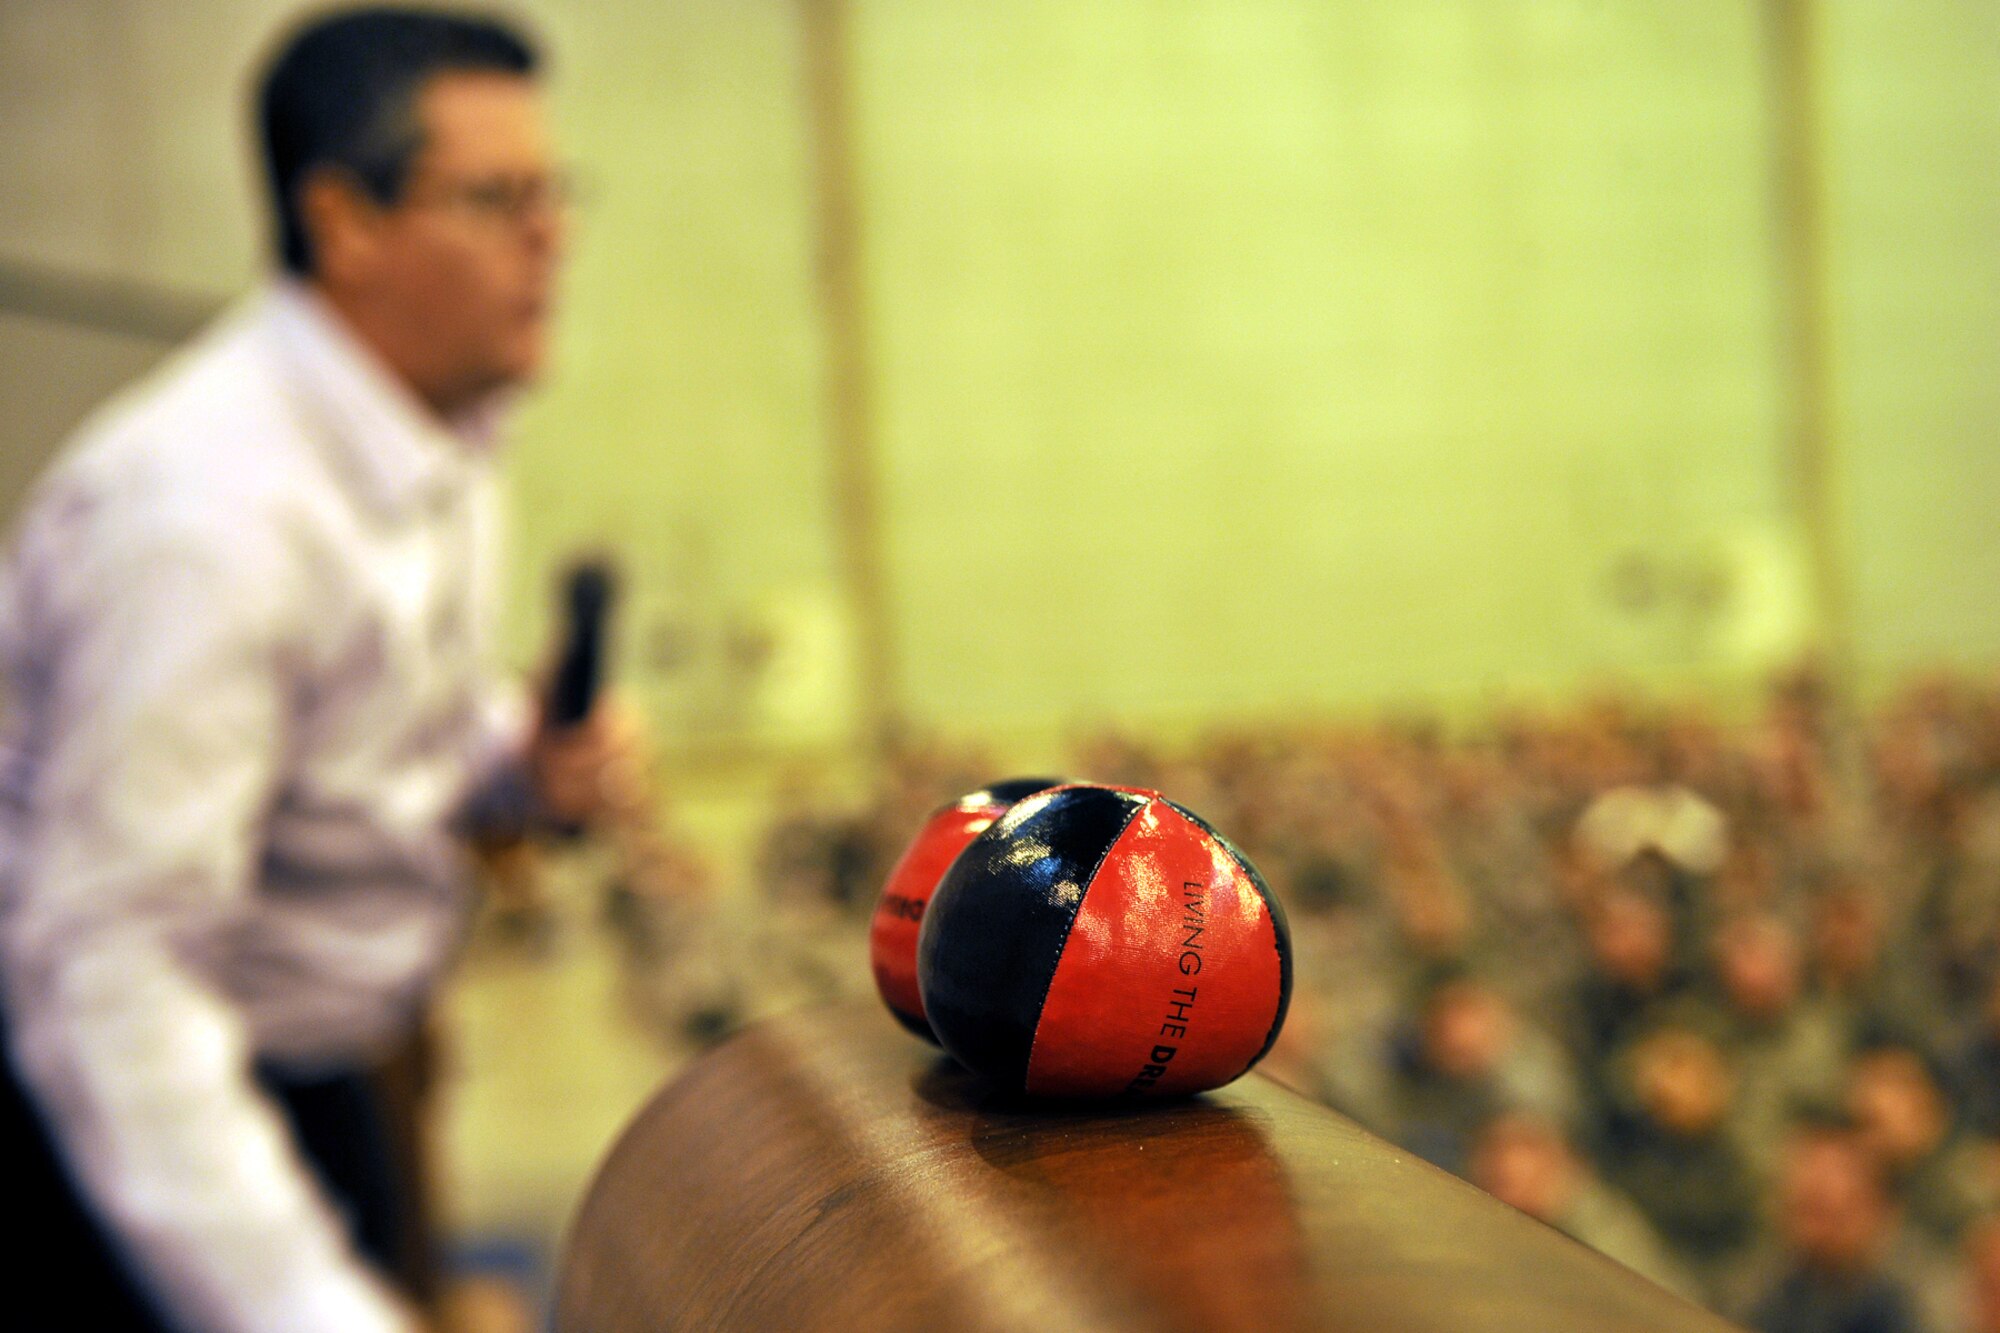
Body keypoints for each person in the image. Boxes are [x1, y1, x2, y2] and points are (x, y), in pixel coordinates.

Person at [0, 8, 623, 1330]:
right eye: (497, 197)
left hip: (336, 1064)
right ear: (343, 222)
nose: (552, 234)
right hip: (130, 1138)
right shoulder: (201, 520)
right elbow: (110, 984)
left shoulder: (441, 423)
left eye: (554, 190)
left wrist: (521, 757)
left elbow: (387, 738)